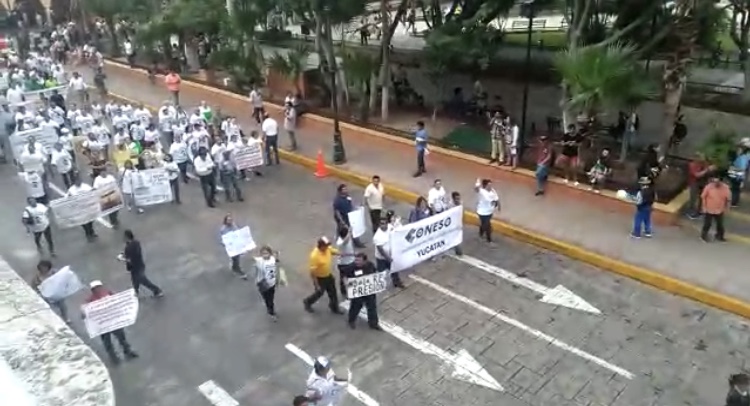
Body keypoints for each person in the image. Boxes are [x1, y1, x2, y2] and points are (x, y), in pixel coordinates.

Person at [83, 280, 139, 364]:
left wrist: (129, 297)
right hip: (102, 325)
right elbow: (85, 312)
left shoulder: (108, 292)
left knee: (121, 338)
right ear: (92, 290)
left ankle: (128, 351)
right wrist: (83, 312)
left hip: (114, 322)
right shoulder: (90, 300)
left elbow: (118, 300)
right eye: (95, 288)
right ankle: (113, 356)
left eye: (99, 287)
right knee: (107, 342)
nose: (97, 289)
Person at [303, 237, 344, 314]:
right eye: (326, 245)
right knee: (319, 292)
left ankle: (334, 307)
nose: (328, 246)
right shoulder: (315, 256)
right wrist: (316, 284)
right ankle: (307, 302)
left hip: (328, 275)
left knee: (333, 292)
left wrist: (341, 253)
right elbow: (312, 272)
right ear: (321, 246)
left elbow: (333, 251)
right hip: (320, 278)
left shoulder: (327, 249)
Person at [342, 253, 382, 330]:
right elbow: (344, 276)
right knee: (355, 307)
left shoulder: (370, 265)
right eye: (356, 260)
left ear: (365, 261)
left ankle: (373, 323)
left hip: (368, 291)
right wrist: (347, 288)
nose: (356, 262)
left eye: (359, 260)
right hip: (357, 291)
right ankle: (351, 321)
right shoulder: (351, 267)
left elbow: (375, 274)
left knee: (372, 307)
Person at [119, 229, 164, 297]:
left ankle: (157, 291)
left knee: (143, 280)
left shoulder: (128, 247)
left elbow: (129, 259)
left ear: (127, 237)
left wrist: (121, 258)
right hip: (140, 264)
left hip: (134, 267)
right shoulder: (136, 243)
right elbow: (133, 254)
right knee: (134, 279)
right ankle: (136, 291)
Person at [373, 216, 404, 288]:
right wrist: (388, 258)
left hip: (390, 254)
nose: (382, 225)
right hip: (381, 258)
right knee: (381, 273)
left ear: (387, 224)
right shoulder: (377, 236)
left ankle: (397, 282)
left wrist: (397, 222)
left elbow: (396, 229)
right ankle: (379, 285)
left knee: (394, 270)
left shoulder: (390, 227)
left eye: (384, 223)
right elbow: (381, 250)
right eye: (381, 224)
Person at [254, 245, 282, 321]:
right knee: (268, 299)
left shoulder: (272, 259)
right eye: (263, 253)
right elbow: (253, 259)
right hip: (263, 284)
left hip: (272, 284)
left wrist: (277, 255)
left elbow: (276, 259)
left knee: (271, 298)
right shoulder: (259, 261)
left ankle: (269, 309)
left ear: (270, 253)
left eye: (267, 253)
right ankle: (271, 312)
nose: (265, 255)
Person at [333, 184, 365, 248]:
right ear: (340, 191)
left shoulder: (347, 196)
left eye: (346, 189)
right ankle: (340, 241)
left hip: (349, 217)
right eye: (344, 189)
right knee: (342, 229)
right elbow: (337, 212)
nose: (346, 190)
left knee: (353, 229)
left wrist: (356, 208)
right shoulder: (337, 200)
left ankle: (357, 243)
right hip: (342, 218)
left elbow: (351, 205)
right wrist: (342, 221)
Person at [700, 175, 730, 243]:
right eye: (714, 182)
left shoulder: (725, 188)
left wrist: (727, 208)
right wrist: (704, 207)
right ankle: (703, 236)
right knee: (707, 224)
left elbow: (728, 199)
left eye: (717, 182)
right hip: (709, 209)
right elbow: (703, 197)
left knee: (720, 225)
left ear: (721, 182)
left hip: (719, 210)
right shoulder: (709, 187)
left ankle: (720, 236)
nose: (715, 184)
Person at [67, 176, 97, 241]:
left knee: (90, 220)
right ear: (74, 182)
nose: (78, 182)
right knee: (83, 222)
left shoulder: (85, 186)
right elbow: (67, 199)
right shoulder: (71, 190)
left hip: (87, 207)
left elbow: (92, 191)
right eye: (77, 181)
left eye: (79, 180)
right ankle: (88, 234)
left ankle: (91, 231)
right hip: (79, 209)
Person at [220, 214, 248, 279]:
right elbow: (223, 238)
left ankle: (234, 266)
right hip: (230, 246)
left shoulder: (234, 226)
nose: (230, 221)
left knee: (237, 257)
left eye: (231, 220)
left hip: (236, 244)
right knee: (235, 258)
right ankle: (237, 269)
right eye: (228, 220)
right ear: (225, 221)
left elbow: (238, 233)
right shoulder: (223, 229)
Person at [687, 152, 712, 219]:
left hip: (703, 182)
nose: (702, 159)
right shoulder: (692, 165)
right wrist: (707, 170)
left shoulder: (705, 163)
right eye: (701, 157)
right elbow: (697, 175)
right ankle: (692, 210)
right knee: (693, 197)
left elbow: (709, 172)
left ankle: (699, 211)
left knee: (702, 197)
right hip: (694, 182)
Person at [474, 178, 499, 243]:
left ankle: (481, 233)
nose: (490, 187)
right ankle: (489, 240)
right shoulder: (481, 192)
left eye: (491, 185)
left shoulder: (493, 191)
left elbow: (496, 198)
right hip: (482, 212)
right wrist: (477, 184)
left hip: (490, 212)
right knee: (487, 226)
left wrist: (498, 205)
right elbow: (476, 189)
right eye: (489, 185)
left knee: (484, 224)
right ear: (485, 186)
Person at [335, 225, 356, 298]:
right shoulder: (340, 242)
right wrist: (350, 232)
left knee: (348, 278)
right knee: (346, 279)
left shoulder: (347, 237)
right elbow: (346, 242)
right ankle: (347, 292)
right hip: (344, 264)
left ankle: (345, 290)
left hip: (350, 261)